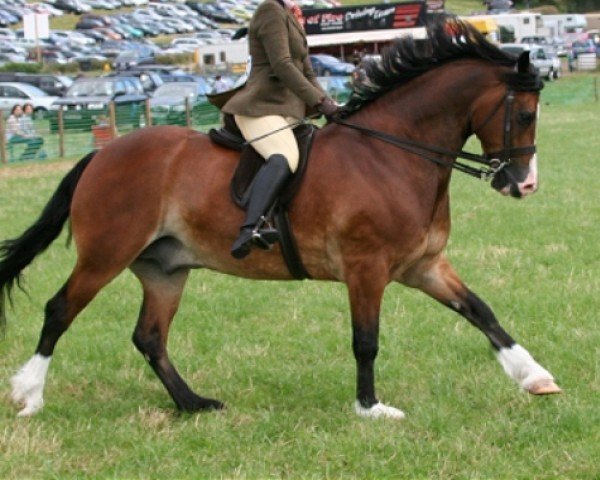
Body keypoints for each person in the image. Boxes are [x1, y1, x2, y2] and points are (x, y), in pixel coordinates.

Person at [222, 0, 339, 259]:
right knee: (285, 156)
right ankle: (250, 228)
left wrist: (330, 104)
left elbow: (307, 72)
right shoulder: (270, 10)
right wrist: (319, 102)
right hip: (259, 107)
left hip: (286, 111)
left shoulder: (291, 16)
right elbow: (282, 64)